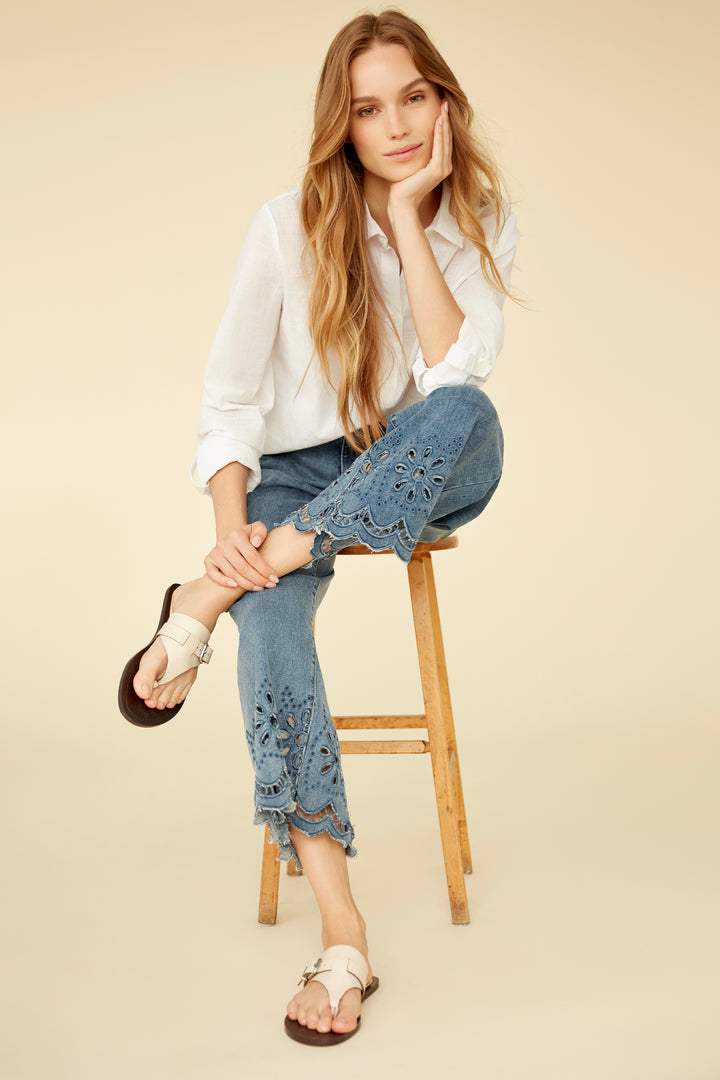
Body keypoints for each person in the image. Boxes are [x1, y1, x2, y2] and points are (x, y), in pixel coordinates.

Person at [118, 7, 520, 1046]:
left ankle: (202, 604)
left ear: (443, 100)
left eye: (413, 99)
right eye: (367, 109)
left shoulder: (477, 218)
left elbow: (450, 382)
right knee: (277, 628)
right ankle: (343, 928)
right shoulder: (285, 223)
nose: (394, 127)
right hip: (295, 475)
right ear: (338, 124)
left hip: (423, 466)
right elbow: (230, 400)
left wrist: (406, 218)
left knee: (468, 411)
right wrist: (233, 534)